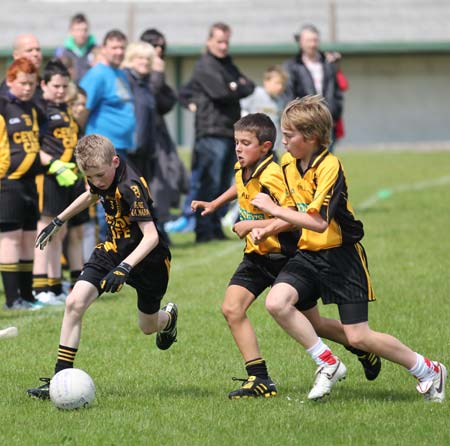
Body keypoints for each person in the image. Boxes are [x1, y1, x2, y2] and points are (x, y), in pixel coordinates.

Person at [250, 95, 447, 402]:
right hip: (308, 254)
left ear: (311, 137)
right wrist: (269, 227)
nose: (283, 141)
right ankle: (328, 362)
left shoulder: (330, 167)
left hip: (342, 257)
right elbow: (295, 211)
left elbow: (316, 222)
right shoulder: (288, 164)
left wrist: (272, 211)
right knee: (277, 303)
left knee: (359, 336)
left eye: (289, 135)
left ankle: (427, 368)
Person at [192, 113, 381, 399]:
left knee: (315, 324)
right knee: (232, 308)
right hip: (256, 256)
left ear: (265, 147)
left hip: (287, 257)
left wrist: (253, 225)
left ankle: (359, 347)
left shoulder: (274, 175)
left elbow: (293, 216)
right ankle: (259, 378)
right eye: (236, 142)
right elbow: (242, 187)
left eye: (245, 143)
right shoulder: (243, 167)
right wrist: (216, 202)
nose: (238, 148)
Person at [27, 134, 178, 399]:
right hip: (111, 250)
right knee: (74, 303)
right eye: (90, 176)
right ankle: (59, 378)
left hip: (148, 261)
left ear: (115, 162)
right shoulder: (99, 173)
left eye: (99, 175)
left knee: (147, 326)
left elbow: (152, 236)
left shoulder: (130, 186)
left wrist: (125, 268)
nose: (96, 181)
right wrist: (59, 221)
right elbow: (92, 194)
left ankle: (168, 320)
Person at [180, 22, 255, 243]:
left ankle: (214, 228)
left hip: (228, 131)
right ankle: (203, 231)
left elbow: (248, 86)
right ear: (209, 41)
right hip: (210, 131)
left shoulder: (227, 63)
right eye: (219, 41)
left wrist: (234, 86)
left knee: (223, 184)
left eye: (226, 42)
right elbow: (220, 93)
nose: (223, 46)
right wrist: (234, 86)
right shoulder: (205, 65)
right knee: (208, 183)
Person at [32, 59, 85, 305]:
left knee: (62, 232)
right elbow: (32, 145)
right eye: (56, 86)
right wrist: (53, 163)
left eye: (64, 86)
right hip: (50, 176)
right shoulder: (39, 109)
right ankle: (40, 285)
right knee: (47, 229)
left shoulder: (65, 109)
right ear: (43, 84)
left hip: (71, 176)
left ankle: (55, 285)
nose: (60, 91)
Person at [79, 29, 136, 242]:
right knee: (107, 201)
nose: (119, 52)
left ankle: (121, 244)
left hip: (121, 147)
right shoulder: (97, 74)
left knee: (122, 199)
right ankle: (108, 247)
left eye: (122, 47)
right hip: (103, 150)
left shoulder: (120, 73)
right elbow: (82, 109)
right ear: (104, 49)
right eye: (114, 47)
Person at [0, 58, 47, 310]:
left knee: (30, 237)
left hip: (30, 182)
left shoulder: (32, 107)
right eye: (22, 83)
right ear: (9, 81)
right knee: (10, 239)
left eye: (31, 83)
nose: (27, 88)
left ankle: (27, 295)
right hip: (9, 182)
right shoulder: (3, 105)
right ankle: (11, 298)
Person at [140, 29, 188, 243]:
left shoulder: (156, 71)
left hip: (159, 134)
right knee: (154, 183)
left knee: (170, 177)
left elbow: (167, 101)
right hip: (144, 136)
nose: (159, 50)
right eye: (154, 45)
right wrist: (158, 73)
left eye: (162, 46)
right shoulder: (142, 72)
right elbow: (150, 98)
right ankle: (153, 229)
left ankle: (160, 225)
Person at [283, 24, 343, 153]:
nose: (312, 44)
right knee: (305, 163)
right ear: (300, 42)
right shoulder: (292, 66)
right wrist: (295, 120)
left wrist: (335, 112)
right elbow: (288, 95)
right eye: (309, 40)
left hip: (327, 123)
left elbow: (337, 92)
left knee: (326, 163)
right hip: (304, 124)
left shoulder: (328, 64)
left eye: (315, 40)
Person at [122, 41, 157, 184]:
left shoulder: (145, 83)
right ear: (131, 59)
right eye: (140, 58)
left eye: (148, 59)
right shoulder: (125, 80)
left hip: (144, 150)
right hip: (128, 149)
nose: (145, 62)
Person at [240, 65, 287, 155]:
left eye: (282, 84)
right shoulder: (255, 94)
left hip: (272, 148)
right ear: (266, 82)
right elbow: (241, 109)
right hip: (254, 148)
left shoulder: (280, 101)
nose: (280, 87)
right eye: (277, 83)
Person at [0, 34, 45, 112]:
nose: (35, 54)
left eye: (38, 50)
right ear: (16, 55)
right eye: (29, 50)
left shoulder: (45, 83)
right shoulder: (8, 90)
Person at [55, 13, 96, 83]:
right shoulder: (62, 53)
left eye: (85, 30)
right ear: (71, 31)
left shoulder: (96, 51)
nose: (82, 33)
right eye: (78, 30)